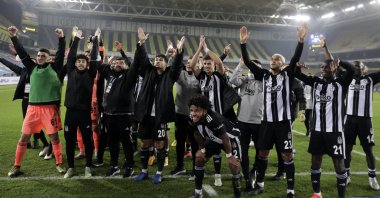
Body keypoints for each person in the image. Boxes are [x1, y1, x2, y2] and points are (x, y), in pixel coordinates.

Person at [240, 23, 308, 197]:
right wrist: (243, 44)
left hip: (283, 123)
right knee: (262, 153)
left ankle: (290, 189)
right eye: (272, 58)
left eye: (277, 59)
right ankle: (260, 184)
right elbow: (248, 62)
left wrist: (300, 41)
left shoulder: (288, 75)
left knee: (286, 156)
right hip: (266, 122)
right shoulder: (264, 75)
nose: (273, 60)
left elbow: (294, 59)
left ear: (283, 64)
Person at [295, 37, 355, 198]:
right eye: (321, 68)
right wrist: (297, 67)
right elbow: (298, 76)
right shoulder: (316, 82)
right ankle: (317, 193)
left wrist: (338, 61)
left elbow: (352, 71)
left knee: (338, 164)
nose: (322, 70)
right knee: (315, 162)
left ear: (334, 69)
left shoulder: (342, 83)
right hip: (317, 131)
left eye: (326, 68)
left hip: (334, 131)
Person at [7, 26, 66, 177]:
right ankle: (16, 166)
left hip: (49, 109)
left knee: (54, 137)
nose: (40, 57)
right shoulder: (31, 67)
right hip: (32, 109)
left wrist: (61, 39)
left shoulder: (55, 67)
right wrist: (14, 36)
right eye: (39, 55)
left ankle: (59, 163)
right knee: (24, 137)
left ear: (49, 58)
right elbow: (22, 53)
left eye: (43, 56)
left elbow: (60, 55)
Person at [133, 27, 185, 184]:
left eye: (160, 60)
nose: (157, 61)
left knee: (160, 144)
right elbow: (142, 59)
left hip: (160, 116)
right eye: (155, 59)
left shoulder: (170, 75)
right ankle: (143, 171)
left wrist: (179, 53)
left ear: (165, 63)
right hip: (145, 115)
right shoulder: (148, 71)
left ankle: (159, 172)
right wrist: (141, 43)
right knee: (145, 143)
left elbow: (176, 67)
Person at [188, 95, 241, 198]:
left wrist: (229, 156)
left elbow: (225, 138)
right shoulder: (191, 118)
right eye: (192, 110)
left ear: (205, 110)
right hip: (215, 139)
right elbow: (196, 133)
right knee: (199, 158)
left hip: (231, 139)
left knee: (234, 165)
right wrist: (202, 149)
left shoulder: (213, 119)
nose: (193, 113)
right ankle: (198, 193)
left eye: (197, 110)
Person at [62, 29, 98, 178]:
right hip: (70, 112)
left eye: (83, 61)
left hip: (84, 113)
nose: (81, 63)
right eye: (79, 61)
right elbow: (70, 57)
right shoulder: (70, 71)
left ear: (87, 64)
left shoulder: (91, 73)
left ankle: (88, 166)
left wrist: (96, 41)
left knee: (88, 141)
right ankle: (71, 167)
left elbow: (95, 58)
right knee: (69, 141)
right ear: (75, 64)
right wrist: (76, 39)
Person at [0, 45, 50, 152]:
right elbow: (11, 65)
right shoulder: (23, 71)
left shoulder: (39, 72)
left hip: (36, 101)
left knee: (34, 123)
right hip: (25, 100)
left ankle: (43, 143)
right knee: (27, 122)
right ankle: (30, 142)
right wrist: (1, 59)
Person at [344, 60, 380, 190]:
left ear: (364, 69)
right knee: (347, 149)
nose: (355, 69)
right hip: (349, 120)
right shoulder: (347, 79)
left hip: (365, 120)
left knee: (368, 150)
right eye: (353, 67)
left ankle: (372, 177)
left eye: (358, 67)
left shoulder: (370, 79)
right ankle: (346, 175)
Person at [229, 58, 263, 191]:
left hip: (259, 121)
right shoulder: (244, 80)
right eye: (251, 67)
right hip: (242, 121)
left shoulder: (265, 81)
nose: (253, 69)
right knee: (243, 151)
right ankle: (247, 178)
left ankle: (254, 170)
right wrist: (240, 65)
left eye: (256, 67)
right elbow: (232, 80)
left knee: (260, 151)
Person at [170, 55, 200, 177]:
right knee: (180, 141)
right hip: (180, 113)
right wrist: (175, 55)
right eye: (187, 62)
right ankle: (180, 166)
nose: (189, 64)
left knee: (195, 143)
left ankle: (195, 168)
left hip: (194, 116)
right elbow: (173, 68)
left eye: (191, 62)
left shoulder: (200, 76)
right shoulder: (180, 74)